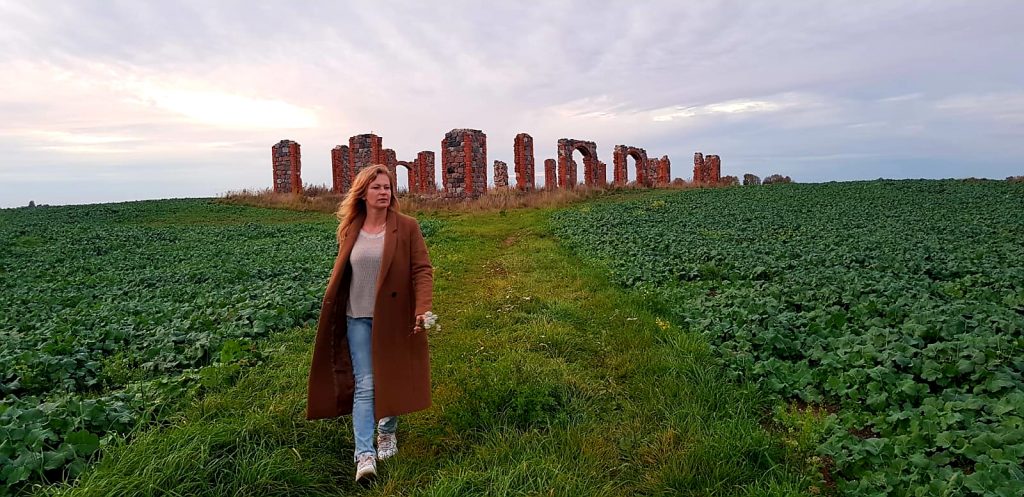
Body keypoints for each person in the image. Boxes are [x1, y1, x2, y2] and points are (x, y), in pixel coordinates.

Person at [306, 164, 434, 483]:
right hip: (356, 316)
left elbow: (422, 270)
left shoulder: (406, 227)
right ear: (363, 193)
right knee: (366, 382)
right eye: (376, 187)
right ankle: (364, 455)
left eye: (387, 187)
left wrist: (422, 308)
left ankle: (387, 431)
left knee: (389, 376)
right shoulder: (351, 228)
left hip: (393, 317)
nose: (383, 192)